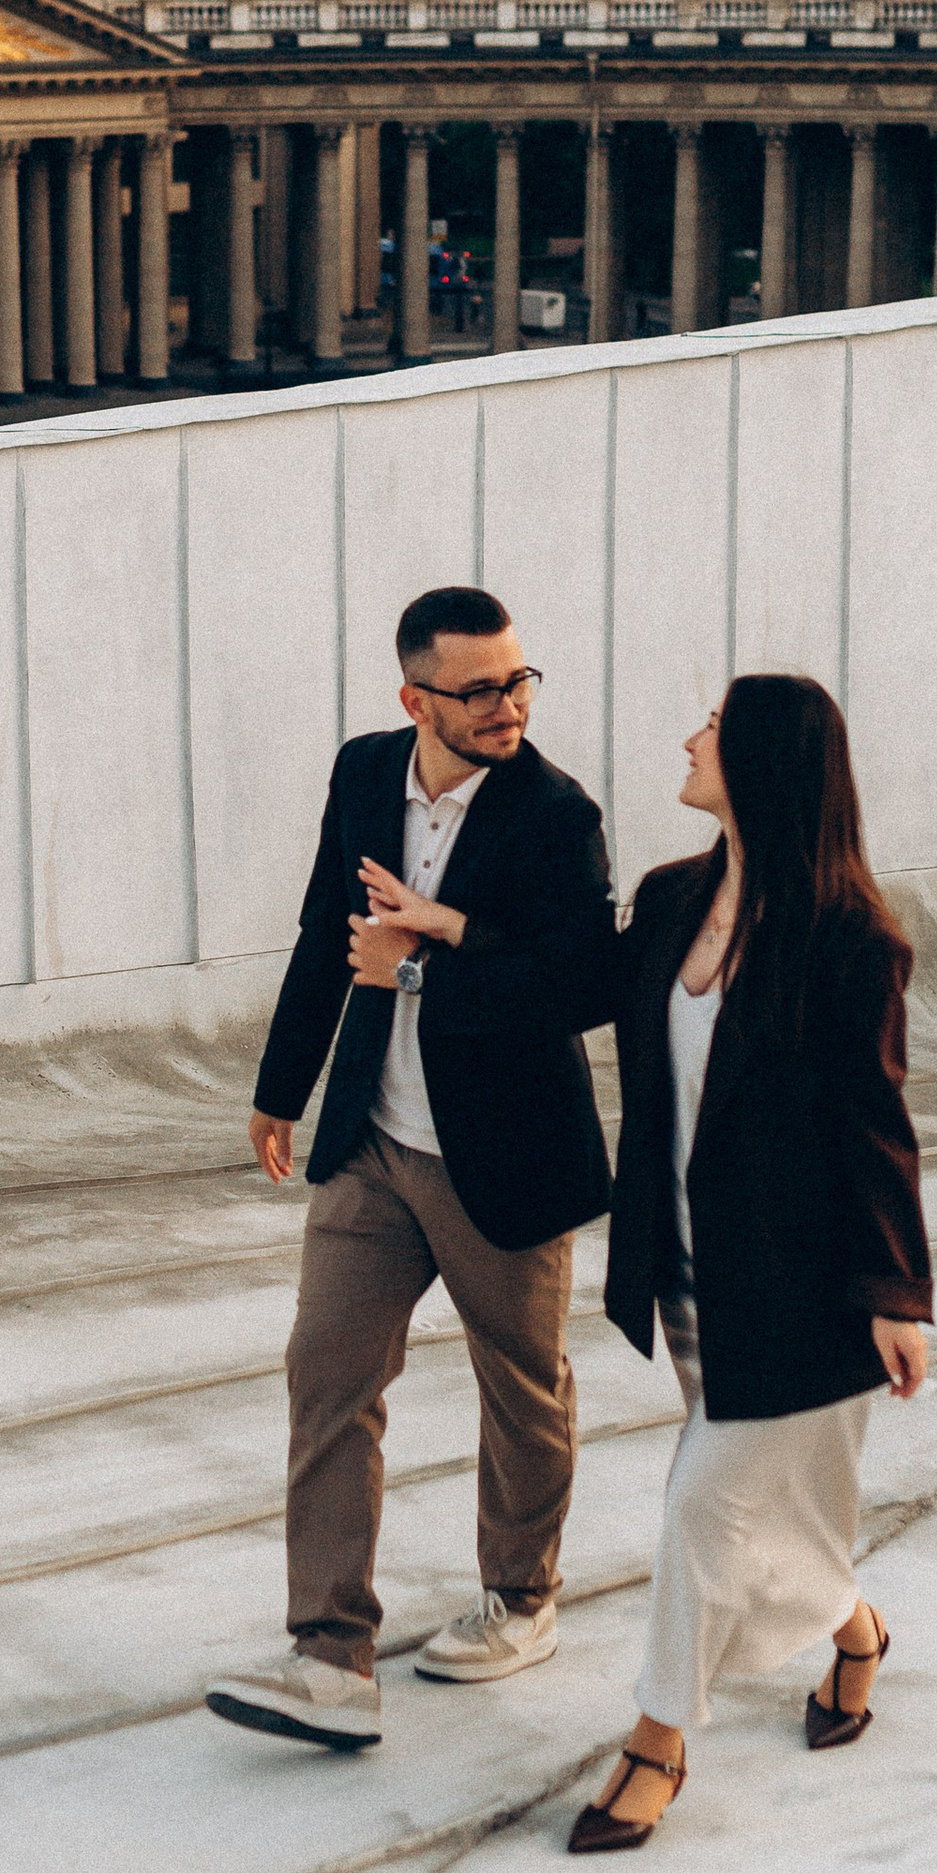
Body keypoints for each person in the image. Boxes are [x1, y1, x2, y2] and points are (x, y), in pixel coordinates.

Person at [205, 585, 615, 1752]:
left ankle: (521, 1599)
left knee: (520, 1386)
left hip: (502, 1156)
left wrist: (437, 949)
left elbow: (582, 986)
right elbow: (324, 936)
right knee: (326, 1378)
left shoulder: (553, 815)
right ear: (414, 697)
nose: (507, 706)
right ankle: (330, 1654)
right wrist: (279, 1088)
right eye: (478, 688)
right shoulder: (363, 771)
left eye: (520, 679)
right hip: (372, 1146)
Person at [563, 672, 933, 1852]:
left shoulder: (848, 940)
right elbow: (579, 992)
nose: (687, 738)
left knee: (699, 1510)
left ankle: (657, 1742)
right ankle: (853, 1623)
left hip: (803, 1285)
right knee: (744, 1513)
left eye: (711, 728)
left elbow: (874, 1125)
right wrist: (449, 935)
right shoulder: (676, 898)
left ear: (763, 761)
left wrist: (893, 1294)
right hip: (686, 1275)